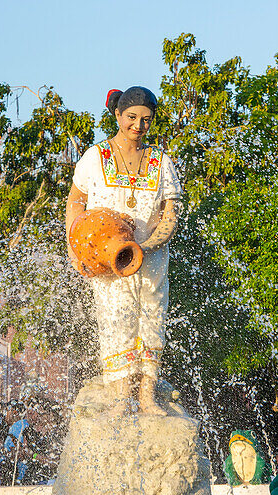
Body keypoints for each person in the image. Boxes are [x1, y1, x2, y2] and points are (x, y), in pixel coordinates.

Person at [65, 86, 183, 417]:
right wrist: (76, 250)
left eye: (146, 119)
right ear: (118, 115)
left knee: (150, 322)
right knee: (116, 321)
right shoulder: (95, 157)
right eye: (131, 117)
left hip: (152, 259)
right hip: (108, 261)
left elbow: (170, 214)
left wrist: (147, 245)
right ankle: (119, 398)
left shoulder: (162, 162)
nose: (138, 125)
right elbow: (75, 201)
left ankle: (146, 398)